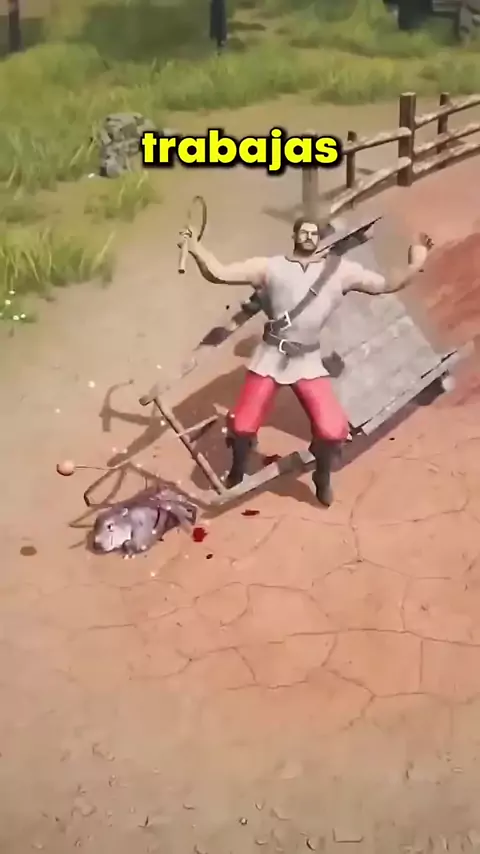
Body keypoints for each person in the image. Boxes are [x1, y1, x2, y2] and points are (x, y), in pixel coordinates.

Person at [178, 216, 433, 507]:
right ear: (295, 236)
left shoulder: (341, 271)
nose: (309, 237)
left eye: (314, 233)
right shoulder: (270, 267)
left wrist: (416, 263)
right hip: (270, 356)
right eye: (304, 232)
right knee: (242, 425)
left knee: (332, 430)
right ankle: (238, 467)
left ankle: (321, 475)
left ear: (321, 238)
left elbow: (386, 284)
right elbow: (220, 273)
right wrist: (196, 248)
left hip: (307, 360)